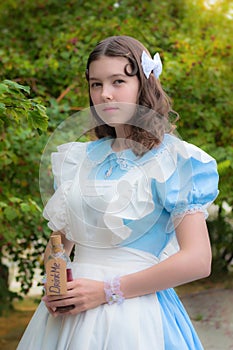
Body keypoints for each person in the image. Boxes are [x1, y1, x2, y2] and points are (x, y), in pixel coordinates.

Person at [17, 35, 219, 350]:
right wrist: (55, 284)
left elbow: (197, 260)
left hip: (133, 316)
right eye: (96, 84)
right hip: (66, 317)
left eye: (118, 81)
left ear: (145, 85)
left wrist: (106, 291)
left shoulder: (176, 160)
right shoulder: (78, 159)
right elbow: (58, 244)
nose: (105, 94)